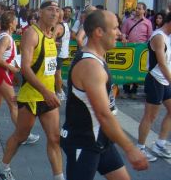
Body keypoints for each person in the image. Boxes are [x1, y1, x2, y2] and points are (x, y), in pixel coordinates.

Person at [60, 10, 148, 180]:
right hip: (85, 141)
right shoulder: (91, 66)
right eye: (115, 28)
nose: (120, 33)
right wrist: (130, 149)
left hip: (101, 137)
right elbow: (103, 114)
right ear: (99, 32)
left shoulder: (97, 58)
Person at [0, 0, 64, 180]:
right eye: (50, 9)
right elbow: (25, 68)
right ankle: (3, 167)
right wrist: (46, 92)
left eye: (57, 10)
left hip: (48, 97)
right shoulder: (32, 34)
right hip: (32, 95)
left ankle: (59, 177)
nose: (54, 13)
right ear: (40, 12)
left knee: (54, 138)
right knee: (21, 136)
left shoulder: (52, 34)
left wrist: (53, 90)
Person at [0, 11, 40, 144]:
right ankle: (23, 135)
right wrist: (13, 69)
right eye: (15, 20)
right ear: (11, 23)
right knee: (13, 104)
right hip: (2, 72)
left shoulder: (5, 36)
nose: (17, 22)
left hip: (2, 72)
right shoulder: (6, 38)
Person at [137, 12, 171, 162]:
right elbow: (162, 64)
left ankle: (160, 144)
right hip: (155, 80)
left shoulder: (168, 37)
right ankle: (140, 148)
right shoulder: (159, 37)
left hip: (165, 81)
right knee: (150, 116)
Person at [121, 2, 153, 99]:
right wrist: (124, 38)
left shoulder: (147, 22)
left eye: (140, 9)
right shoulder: (128, 21)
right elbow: (123, 33)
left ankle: (134, 90)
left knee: (136, 69)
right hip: (129, 49)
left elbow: (150, 37)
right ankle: (126, 90)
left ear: (144, 10)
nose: (137, 10)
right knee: (126, 69)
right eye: (136, 8)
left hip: (140, 50)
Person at [54, 9, 70, 100]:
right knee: (56, 73)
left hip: (58, 53)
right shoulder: (65, 24)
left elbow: (51, 39)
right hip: (63, 52)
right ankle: (59, 91)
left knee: (57, 73)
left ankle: (60, 92)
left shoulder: (58, 26)